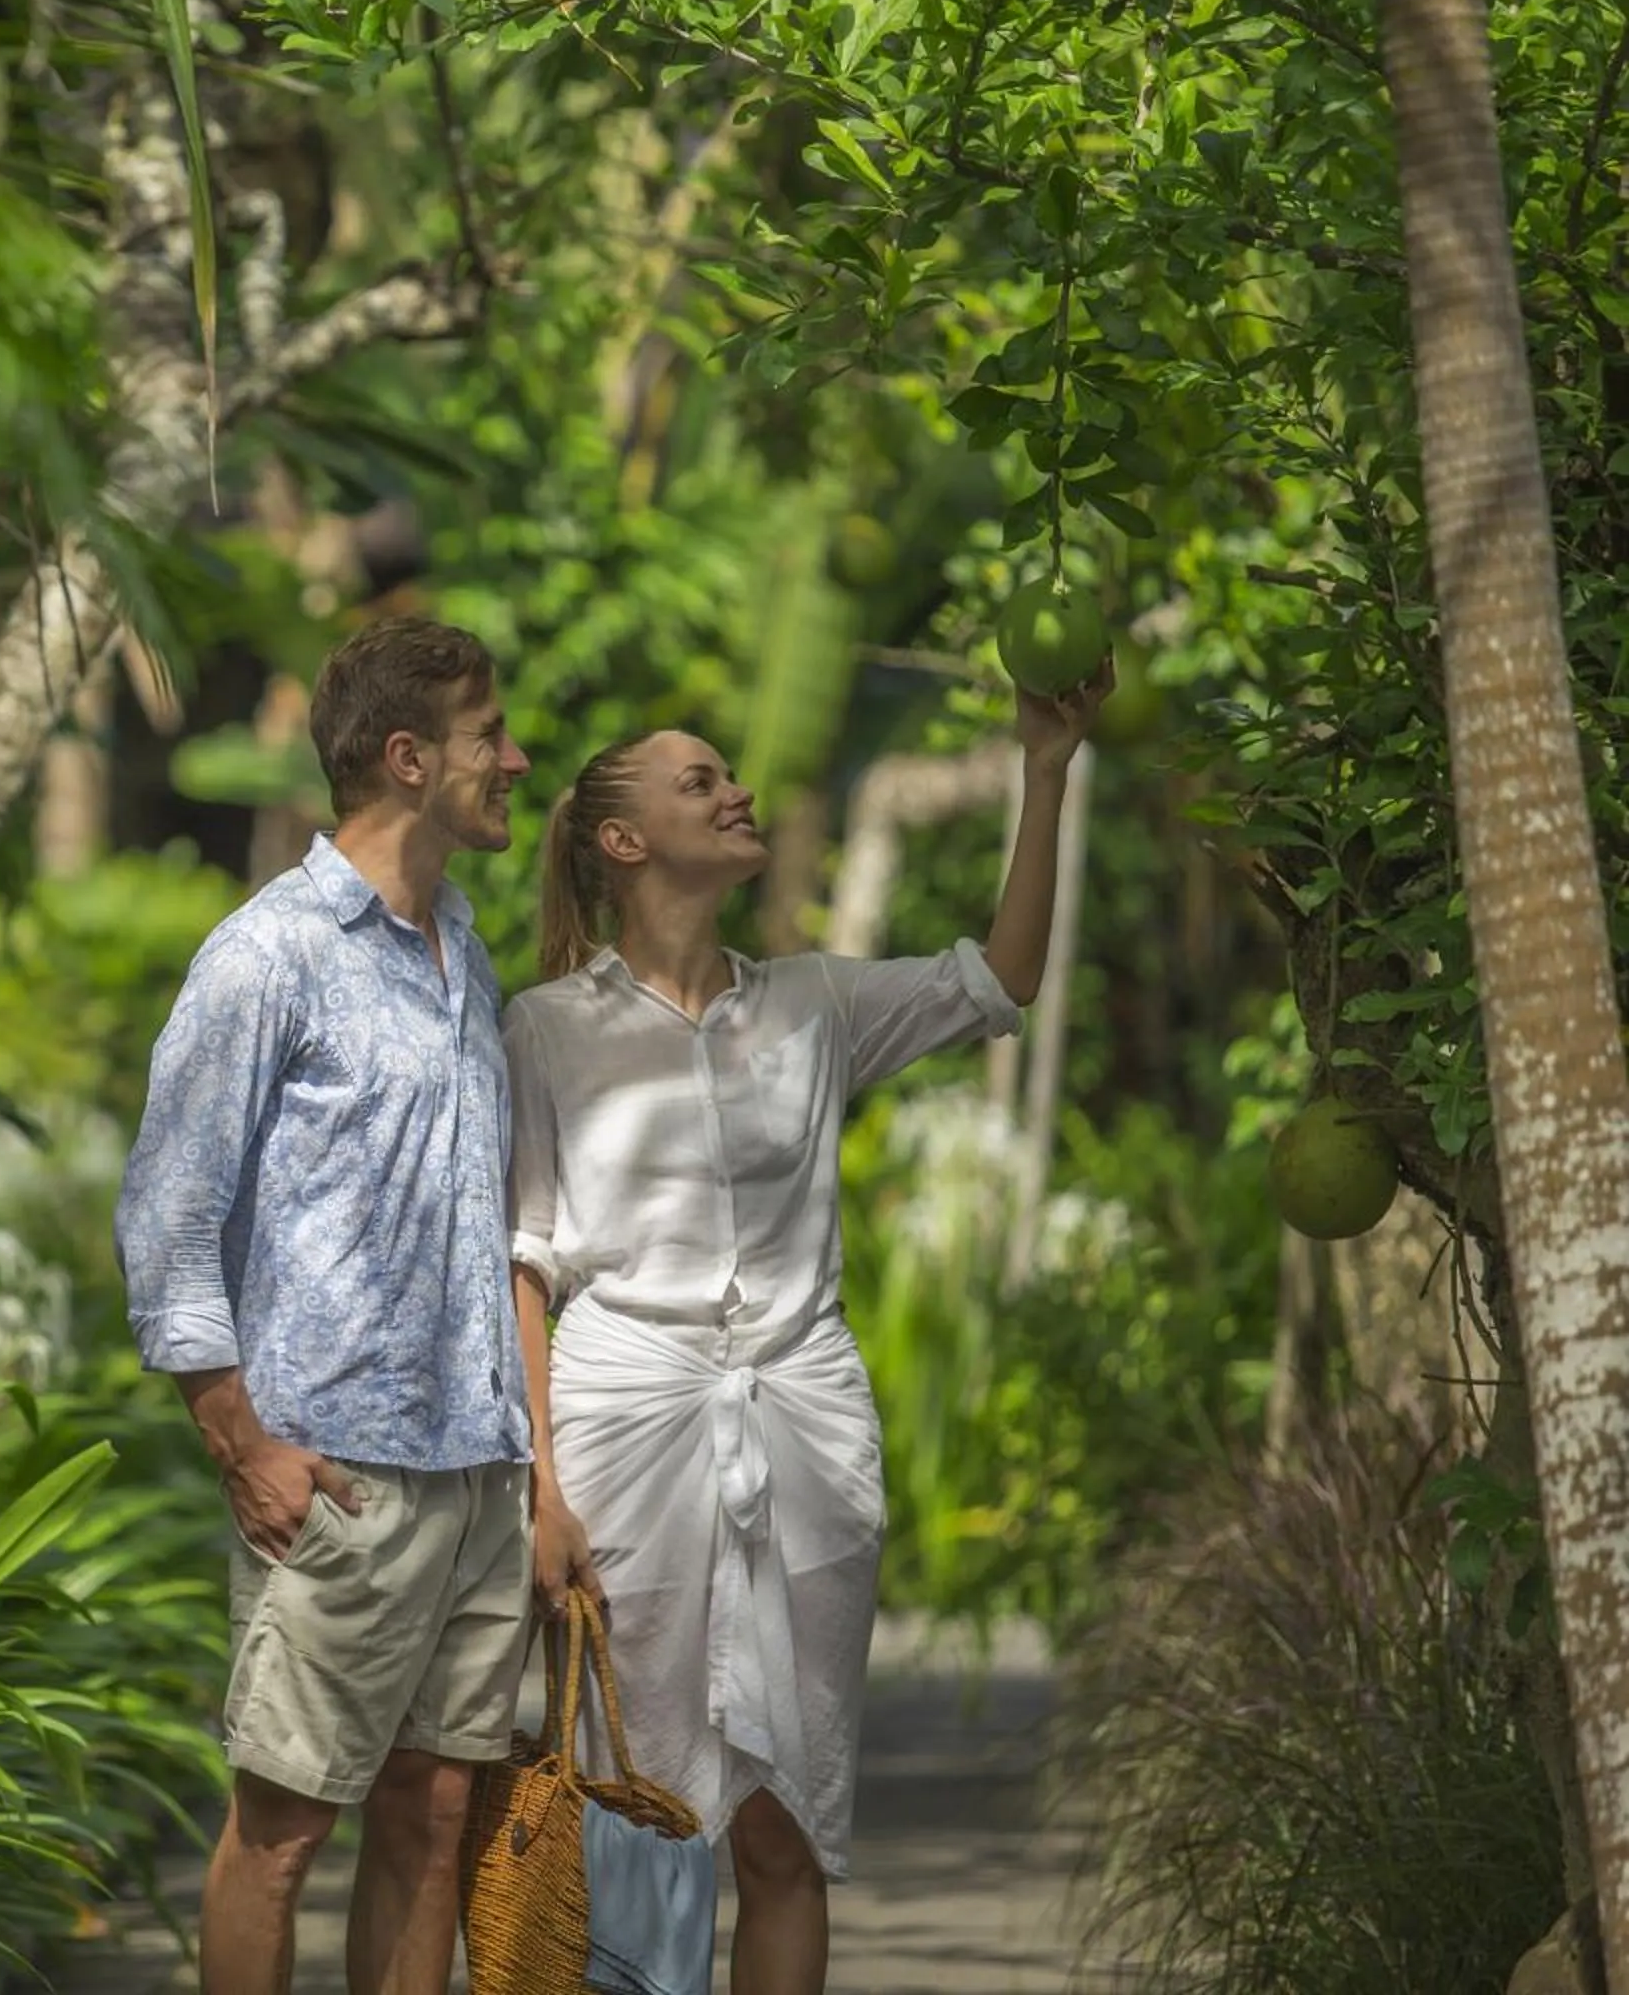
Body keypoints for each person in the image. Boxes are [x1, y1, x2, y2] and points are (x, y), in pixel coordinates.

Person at [504, 665, 1110, 1995]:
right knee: (634, 1824)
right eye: (701, 780)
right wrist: (541, 1489)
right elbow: (525, 1267)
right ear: (622, 841)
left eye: (732, 774)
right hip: (622, 1446)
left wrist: (1047, 767)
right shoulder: (544, 1030)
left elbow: (999, 978)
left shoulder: (816, 1004)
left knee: (784, 1833)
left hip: (805, 1443)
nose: (740, 792)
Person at [116, 616, 538, 1995]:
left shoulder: (460, 950)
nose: (515, 759)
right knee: (285, 1830)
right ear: (411, 759)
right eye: (491, 736)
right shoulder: (268, 956)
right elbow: (168, 1216)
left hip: (476, 1474)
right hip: (339, 1478)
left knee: (431, 1821)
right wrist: (241, 1441)